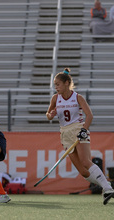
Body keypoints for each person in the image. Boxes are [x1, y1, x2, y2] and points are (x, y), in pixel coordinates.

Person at [46, 68, 114, 205]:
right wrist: (50, 115)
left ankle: (107, 188)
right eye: (55, 85)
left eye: (58, 84)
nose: (56, 87)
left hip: (78, 129)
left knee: (85, 161)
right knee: (83, 172)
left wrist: (84, 130)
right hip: (65, 133)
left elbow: (90, 115)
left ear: (66, 83)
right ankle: (106, 186)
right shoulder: (55, 98)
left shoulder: (77, 97)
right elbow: (48, 115)